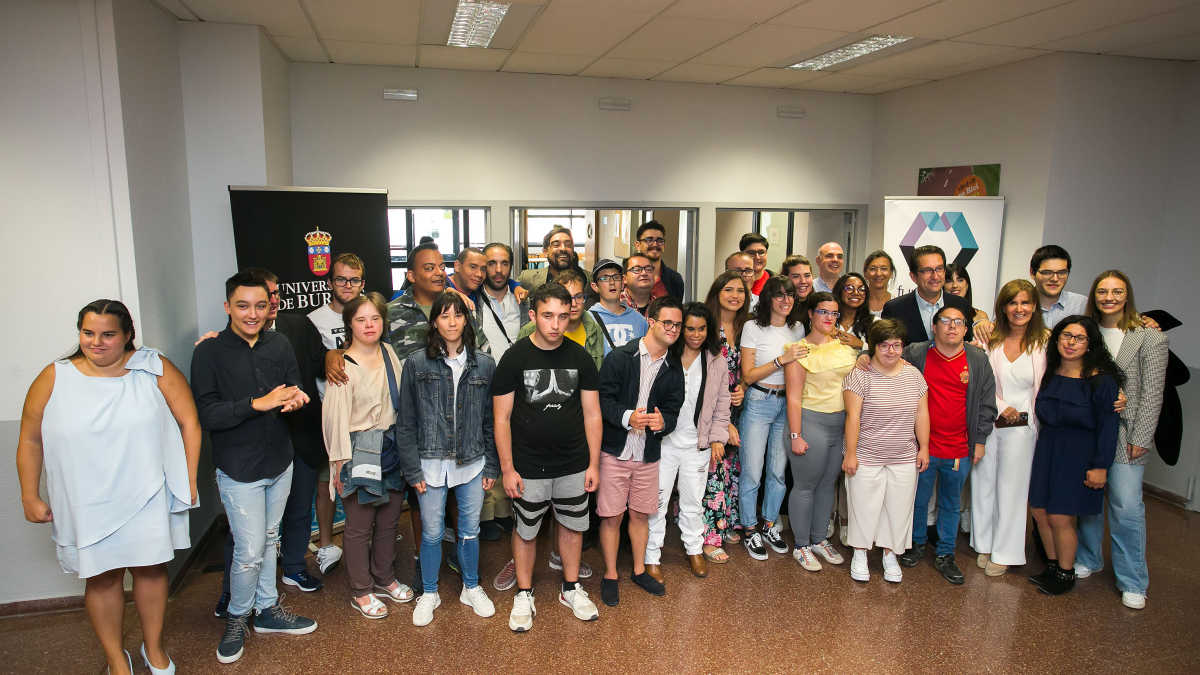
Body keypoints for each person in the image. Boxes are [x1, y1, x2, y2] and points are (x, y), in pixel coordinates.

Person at [17, 300, 199, 675]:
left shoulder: (153, 368)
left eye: (108, 334)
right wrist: (29, 495)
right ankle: (117, 658)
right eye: (88, 333)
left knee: (150, 570)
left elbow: (189, 423)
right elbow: (30, 440)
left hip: (146, 491)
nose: (96, 342)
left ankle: (154, 648)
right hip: (85, 498)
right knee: (102, 577)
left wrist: (190, 479)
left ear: (128, 335)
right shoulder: (55, 376)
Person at [191, 271, 316, 664]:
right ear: (228, 307)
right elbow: (207, 413)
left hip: (279, 461)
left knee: (267, 539)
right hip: (239, 467)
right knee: (247, 551)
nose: (252, 313)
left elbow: (295, 388)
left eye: (260, 305)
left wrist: (295, 400)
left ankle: (266, 611)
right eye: (243, 306)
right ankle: (236, 616)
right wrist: (255, 403)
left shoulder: (279, 343)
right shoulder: (208, 352)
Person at [493, 282, 603, 632]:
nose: (556, 324)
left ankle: (570, 588)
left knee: (572, 526)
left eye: (562, 315)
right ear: (533, 316)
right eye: (547, 316)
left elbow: (592, 415)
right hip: (528, 465)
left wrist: (594, 463)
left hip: (573, 462)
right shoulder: (515, 357)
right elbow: (500, 418)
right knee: (525, 530)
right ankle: (524, 593)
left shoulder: (580, 356)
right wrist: (507, 469)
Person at [396, 291, 499, 625]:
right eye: (444, 316)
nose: (452, 322)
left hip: (472, 461)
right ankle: (429, 592)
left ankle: (471, 587)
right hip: (429, 463)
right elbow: (407, 421)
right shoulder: (416, 363)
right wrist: (411, 469)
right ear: (434, 322)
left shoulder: (484, 364)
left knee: (470, 530)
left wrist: (493, 464)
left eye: (458, 315)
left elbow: (489, 419)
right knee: (432, 532)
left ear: (466, 320)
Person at [1075, 271, 1168, 609]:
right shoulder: (1084, 331)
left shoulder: (1148, 336)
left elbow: (1153, 392)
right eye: (1102, 291)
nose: (1109, 297)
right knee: (1088, 500)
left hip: (1127, 433)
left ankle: (1133, 579)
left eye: (1116, 291)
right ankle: (1089, 557)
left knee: (1126, 506)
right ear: (1094, 295)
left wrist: (1142, 435)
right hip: (1087, 430)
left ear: (1127, 296)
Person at [323, 292, 415, 621]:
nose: (369, 325)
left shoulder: (390, 352)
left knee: (390, 521)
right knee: (360, 527)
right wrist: (338, 465)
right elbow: (333, 421)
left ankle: (385, 577)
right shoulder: (341, 367)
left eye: (375, 318)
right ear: (349, 324)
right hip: (358, 451)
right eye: (360, 319)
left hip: (391, 448)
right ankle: (361, 590)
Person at [894, 306, 996, 585]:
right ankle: (915, 545)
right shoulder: (916, 354)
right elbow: (885, 356)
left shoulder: (976, 359)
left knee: (951, 504)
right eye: (945, 321)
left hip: (959, 448)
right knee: (917, 499)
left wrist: (980, 441)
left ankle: (945, 554)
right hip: (921, 446)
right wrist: (864, 357)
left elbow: (987, 404)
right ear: (934, 326)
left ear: (966, 329)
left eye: (958, 322)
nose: (952, 326)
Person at [596, 296, 684, 605]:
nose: (673, 329)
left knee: (640, 515)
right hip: (615, 452)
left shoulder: (674, 368)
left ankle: (637, 570)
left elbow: (673, 411)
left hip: (647, 455)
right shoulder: (621, 357)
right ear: (651, 321)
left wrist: (663, 422)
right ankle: (609, 574)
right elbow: (602, 399)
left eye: (677, 324)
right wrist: (626, 417)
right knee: (610, 517)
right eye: (667, 323)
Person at [1028, 316, 1123, 596]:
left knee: (1060, 516)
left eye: (1080, 338)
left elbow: (1109, 427)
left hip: (1079, 452)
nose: (1071, 343)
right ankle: (1053, 566)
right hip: (1048, 447)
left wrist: (1100, 466)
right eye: (1066, 336)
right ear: (1056, 339)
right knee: (1040, 511)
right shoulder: (1049, 371)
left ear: (1090, 344)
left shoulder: (1101, 380)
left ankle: (1066, 573)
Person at [645, 302, 731, 580]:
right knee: (657, 503)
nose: (695, 334)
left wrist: (718, 437)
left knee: (694, 502)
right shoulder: (667, 354)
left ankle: (694, 549)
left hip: (697, 444)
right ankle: (652, 555)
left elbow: (722, 402)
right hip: (664, 443)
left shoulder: (716, 359)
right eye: (689, 328)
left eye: (702, 329)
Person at [841, 319, 930, 583]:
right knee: (863, 506)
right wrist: (851, 453)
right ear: (873, 347)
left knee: (899, 508)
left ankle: (890, 555)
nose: (891, 351)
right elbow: (852, 417)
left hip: (903, 456)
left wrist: (924, 447)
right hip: (866, 455)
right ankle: (860, 553)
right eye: (884, 346)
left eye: (897, 345)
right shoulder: (859, 375)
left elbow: (922, 413)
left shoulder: (914, 375)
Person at [971, 280, 1048, 578]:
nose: (1019, 309)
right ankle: (985, 544)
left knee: (1012, 490)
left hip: (1023, 429)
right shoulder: (990, 339)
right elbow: (980, 381)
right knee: (983, 486)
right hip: (989, 422)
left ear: (1034, 307)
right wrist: (1002, 407)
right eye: (1013, 303)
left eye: (1026, 302)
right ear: (1003, 307)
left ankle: (1006, 551)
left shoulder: (1044, 342)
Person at [783, 292, 857, 572]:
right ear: (811, 314)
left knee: (827, 486)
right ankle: (801, 545)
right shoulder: (798, 349)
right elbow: (793, 397)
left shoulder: (844, 347)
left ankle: (818, 540)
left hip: (839, 423)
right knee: (805, 486)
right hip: (810, 422)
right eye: (823, 312)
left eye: (834, 313)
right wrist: (795, 435)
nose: (829, 318)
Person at [738, 276, 807, 560]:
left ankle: (769, 524)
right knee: (752, 471)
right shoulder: (753, 327)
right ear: (767, 298)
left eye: (790, 295)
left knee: (778, 472)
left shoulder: (798, 327)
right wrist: (781, 359)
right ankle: (749, 529)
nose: (786, 301)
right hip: (758, 401)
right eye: (779, 295)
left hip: (786, 404)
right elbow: (748, 374)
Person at [478, 243, 528, 541]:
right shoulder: (471, 298)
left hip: (517, 384)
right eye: (492, 263)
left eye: (504, 264)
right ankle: (485, 514)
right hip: (483, 382)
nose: (498, 270)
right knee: (485, 443)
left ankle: (506, 510)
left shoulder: (522, 299)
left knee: (511, 442)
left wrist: (517, 286)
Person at [700, 272, 750, 563]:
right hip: (710, 408)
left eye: (740, 291)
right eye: (728, 290)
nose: (735, 295)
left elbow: (745, 370)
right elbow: (704, 376)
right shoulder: (707, 328)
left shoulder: (745, 328)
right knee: (713, 473)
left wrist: (742, 387)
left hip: (738, 406)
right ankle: (708, 538)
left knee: (732, 470)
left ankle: (725, 522)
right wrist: (724, 421)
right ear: (716, 292)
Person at [881, 244, 975, 345]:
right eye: (927, 270)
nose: (935, 276)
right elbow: (881, 348)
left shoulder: (961, 305)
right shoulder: (895, 309)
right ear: (913, 277)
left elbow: (968, 342)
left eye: (939, 269)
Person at [518, 268, 604, 372]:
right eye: (566, 298)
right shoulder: (531, 329)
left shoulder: (594, 329)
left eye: (579, 297)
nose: (573, 304)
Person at [589, 257, 649, 356]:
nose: (612, 282)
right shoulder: (588, 319)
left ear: (622, 284)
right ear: (595, 287)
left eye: (616, 277)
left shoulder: (639, 320)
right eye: (605, 278)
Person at [518, 225, 591, 291]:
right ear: (545, 252)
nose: (563, 248)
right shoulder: (527, 279)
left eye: (568, 245)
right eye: (556, 245)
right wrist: (515, 286)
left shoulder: (590, 279)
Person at [634, 220, 685, 300]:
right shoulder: (627, 277)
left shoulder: (675, 279)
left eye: (659, 241)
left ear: (664, 246)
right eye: (649, 240)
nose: (655, 244)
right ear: (638, 245)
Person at [834, 272, 872, 350]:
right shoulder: (827, 319)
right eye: (849, 288)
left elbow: (884, 352)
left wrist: (861, 345)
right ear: (839, 291)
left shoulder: (874, 323)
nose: (856, 293)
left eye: (861, 289)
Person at [863, 250, 896, 320]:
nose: (878, 274)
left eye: (884, 269)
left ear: (891, 273)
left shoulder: (898, 305)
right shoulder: (857, 302)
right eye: (873, 269)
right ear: (865, 274)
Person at [740, 232, 772, 297]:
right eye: (751, 253)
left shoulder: (776, 282)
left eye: (761, 252)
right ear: (742, 255)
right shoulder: (732, 283)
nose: (757, 257)